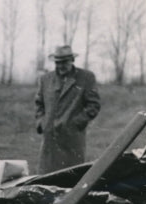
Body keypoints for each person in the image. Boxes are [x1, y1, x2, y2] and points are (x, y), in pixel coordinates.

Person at [34, 44, 101, 173]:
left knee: (71, 178)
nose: (60, 66)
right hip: (50, 140)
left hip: (72, 140)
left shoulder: (86, 77)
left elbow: (94, 105)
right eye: (57, 62)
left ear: (72, 60)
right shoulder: (45, 79)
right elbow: (39, 103)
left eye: (64, 62)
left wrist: (76, 123)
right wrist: (42, 123)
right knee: (46, 179)